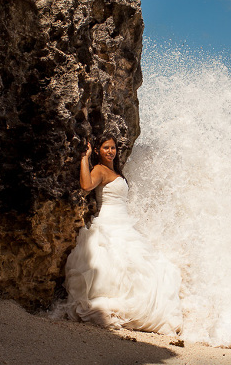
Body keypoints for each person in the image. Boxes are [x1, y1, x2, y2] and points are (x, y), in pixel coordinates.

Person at [57, 133, 183, 335]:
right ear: (98, 150)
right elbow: (86, 185)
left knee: (140, 266)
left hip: (123, 222)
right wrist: (84, 158)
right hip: (109, 222)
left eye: (113, 148)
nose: (110, 151)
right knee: (117, 264)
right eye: (106, 147)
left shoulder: (115, 171)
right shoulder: (100, 169)